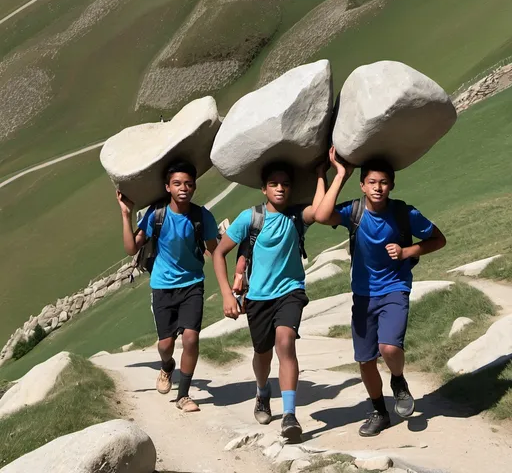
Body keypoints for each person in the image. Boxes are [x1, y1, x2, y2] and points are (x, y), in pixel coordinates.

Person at [314, 146, 446, 437]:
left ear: (392, 185)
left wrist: (407, 250)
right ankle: (379, 412)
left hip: (394, 288)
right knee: (365, 360)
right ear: (362, 185)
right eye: (372, 182)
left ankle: (398, 382)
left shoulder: (403, 213)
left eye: (384, 182)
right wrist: (340, 174)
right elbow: (322, 216)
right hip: (362, 295)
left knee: (388, 347)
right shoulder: (354, 211)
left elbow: (439, 239)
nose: (378, 187)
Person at [213, 161, 328, 440]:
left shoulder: (297, 216)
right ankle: (262, 391)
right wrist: (228, 293)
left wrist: (323, 174)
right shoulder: (250, 218)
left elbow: (322, 212)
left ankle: (289, 415)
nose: (280, 188)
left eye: (285, 184)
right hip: (258, 298)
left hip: (290, 292)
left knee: (285, 343)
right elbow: (219, 253)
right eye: (274, 184)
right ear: (263, 189)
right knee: (262, 354)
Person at [117, 160, 218, 412]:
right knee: (165, 345)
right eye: (177, 183)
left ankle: (183, 395)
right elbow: (131, 248)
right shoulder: (157, 214)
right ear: (167, 187)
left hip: (193, 284)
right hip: (162, 286)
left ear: (194, 186)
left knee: (191, 339)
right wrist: (126, 214)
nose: (183, 188)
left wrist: (231, 284)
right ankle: (166, 366)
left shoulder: (201, 216)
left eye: (188, 183)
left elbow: (216, 251)